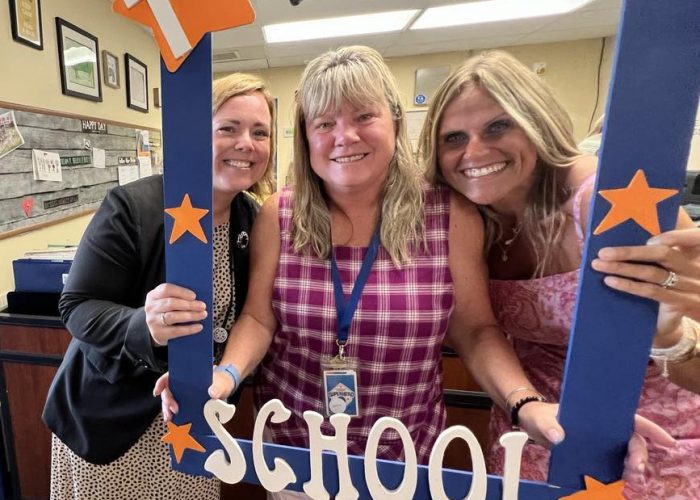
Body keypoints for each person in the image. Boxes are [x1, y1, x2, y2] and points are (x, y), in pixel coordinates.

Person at [158, 45, 569, 489]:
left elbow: (475, 329)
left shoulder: (449, 215)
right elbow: (259, 317)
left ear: (395, 121)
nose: (344, 136)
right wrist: (226, 375)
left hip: (405, 453)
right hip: (295, 451)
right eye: (325, 123)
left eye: (363, 117)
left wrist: (524, 401)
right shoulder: (278, 214)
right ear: (305, 136)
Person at [419, 49, 700, 498]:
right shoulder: (468, 217)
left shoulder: (607, 201)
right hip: (537, 428)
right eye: (453, 138)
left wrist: (673, 338)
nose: (474, 151)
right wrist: (526, 408)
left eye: (497, 126)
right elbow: (476, 329)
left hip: (659, 439)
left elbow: (687, 329)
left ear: (536, 122)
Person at [42, 72, 275, 500]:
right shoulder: (134, 207)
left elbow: (249, 314)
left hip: (193, 419)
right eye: (229, 128)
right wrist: (141, 324)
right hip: (113, 424)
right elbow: (76, 306)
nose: (247, 143)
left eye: (260, 132)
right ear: (195, 135)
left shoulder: (253, 219)